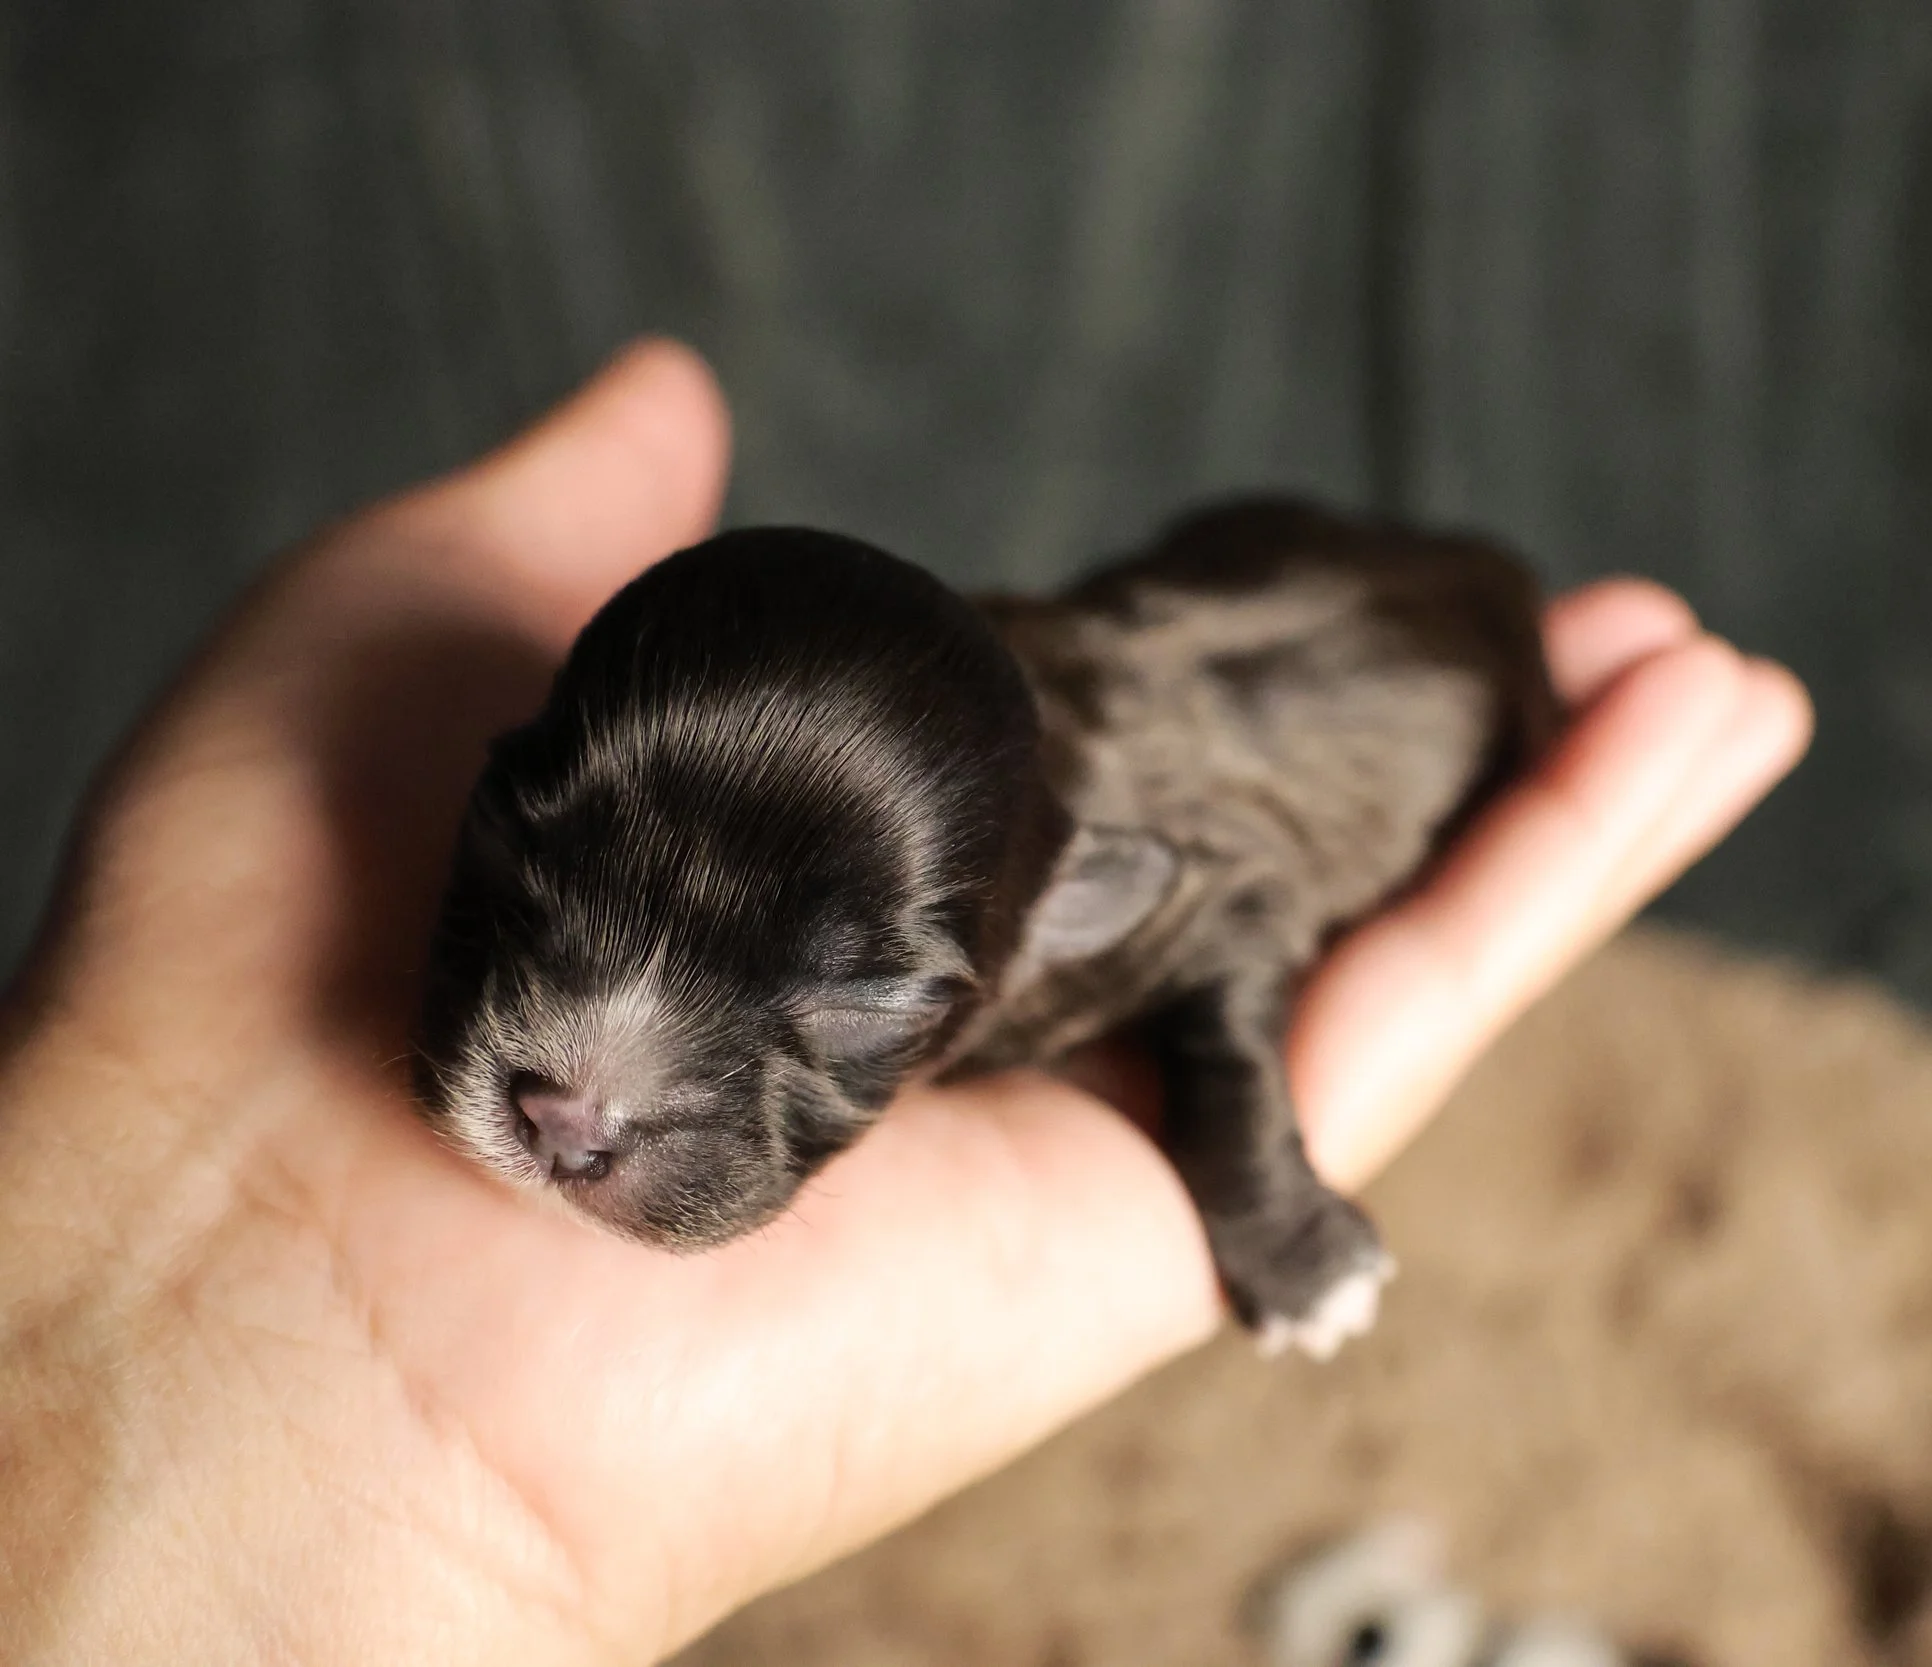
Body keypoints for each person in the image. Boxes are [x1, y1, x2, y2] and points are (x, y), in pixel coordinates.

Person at [0, 341, 1810, 1662]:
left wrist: (1257, 1180)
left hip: (1411, 672)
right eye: (537, 845)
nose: (585, 1080)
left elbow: (1239, 909)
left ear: (1053, 923)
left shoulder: (1101, 897)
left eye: (850, 1004)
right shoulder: (915, 817)